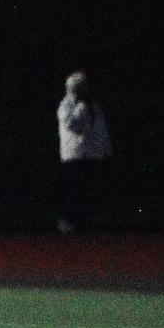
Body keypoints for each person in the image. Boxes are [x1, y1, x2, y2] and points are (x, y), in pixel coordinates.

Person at [57, 69, 111, 232]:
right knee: (75, 191)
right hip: (76, 155)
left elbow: (100, 128)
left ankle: (87, 223)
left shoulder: (93, 105)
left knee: (91, 191)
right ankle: (67, 222)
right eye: (84, 86)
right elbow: (73, 126)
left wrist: (106, 148)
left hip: (93, 154)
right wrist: (81, 107)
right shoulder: (67, 105)